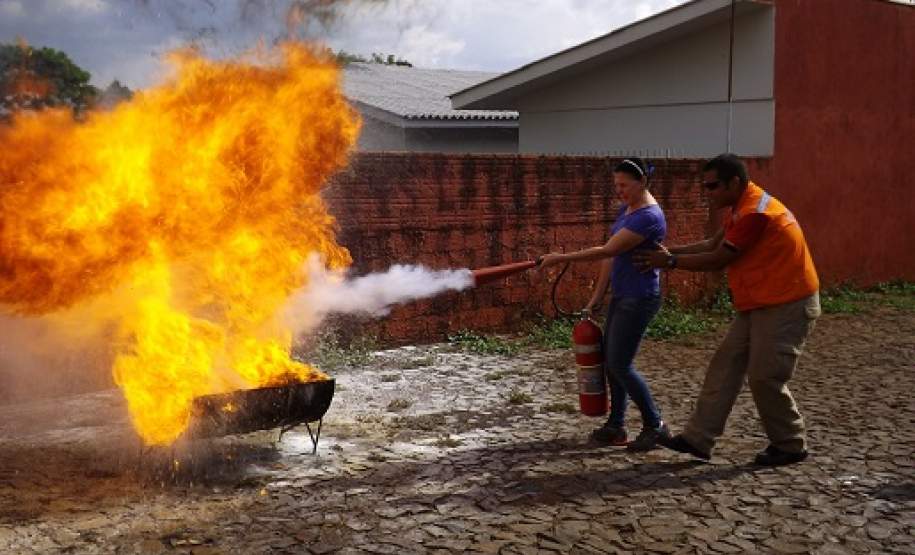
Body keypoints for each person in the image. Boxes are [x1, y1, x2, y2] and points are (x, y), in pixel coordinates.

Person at [634, 153, 820, 466]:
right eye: (705, 186)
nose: (709, 193)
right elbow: (712, 245)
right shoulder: (742, 206)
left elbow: (719, 259)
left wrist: (670, 261)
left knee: (764, 376)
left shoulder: (755, 214)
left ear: (734, 182)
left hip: (787, 302)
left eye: (713, 186)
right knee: (725, 366)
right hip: (760, 302)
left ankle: (790, 443)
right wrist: (669, 253)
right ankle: (698, 439)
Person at [540, 157, 671, 452]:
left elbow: (608, 249)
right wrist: (598, 297)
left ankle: (656, 425)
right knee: (612, 364)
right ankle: (616, 426)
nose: (619, 191)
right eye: (616, 185)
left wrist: (560, 258)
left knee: (620, 365)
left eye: (624, 185)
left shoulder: (648, 217)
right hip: (622, 296)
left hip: (639, 298)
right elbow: (612, 258)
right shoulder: (627, 210)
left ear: (642, 182)